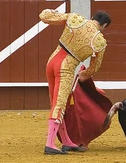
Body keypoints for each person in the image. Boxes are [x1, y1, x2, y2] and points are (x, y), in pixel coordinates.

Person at [42, 9, 111, 154]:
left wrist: (50, 11)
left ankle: (66, 141)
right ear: (104, 25)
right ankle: (50, 144)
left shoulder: (75, 18)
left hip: (52, 61)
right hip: (66, 67)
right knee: (59, 105)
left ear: (92, 17)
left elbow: (45, 17)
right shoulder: (99, 41)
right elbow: (94, 67)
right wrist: (83, 76)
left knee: (56, 103)